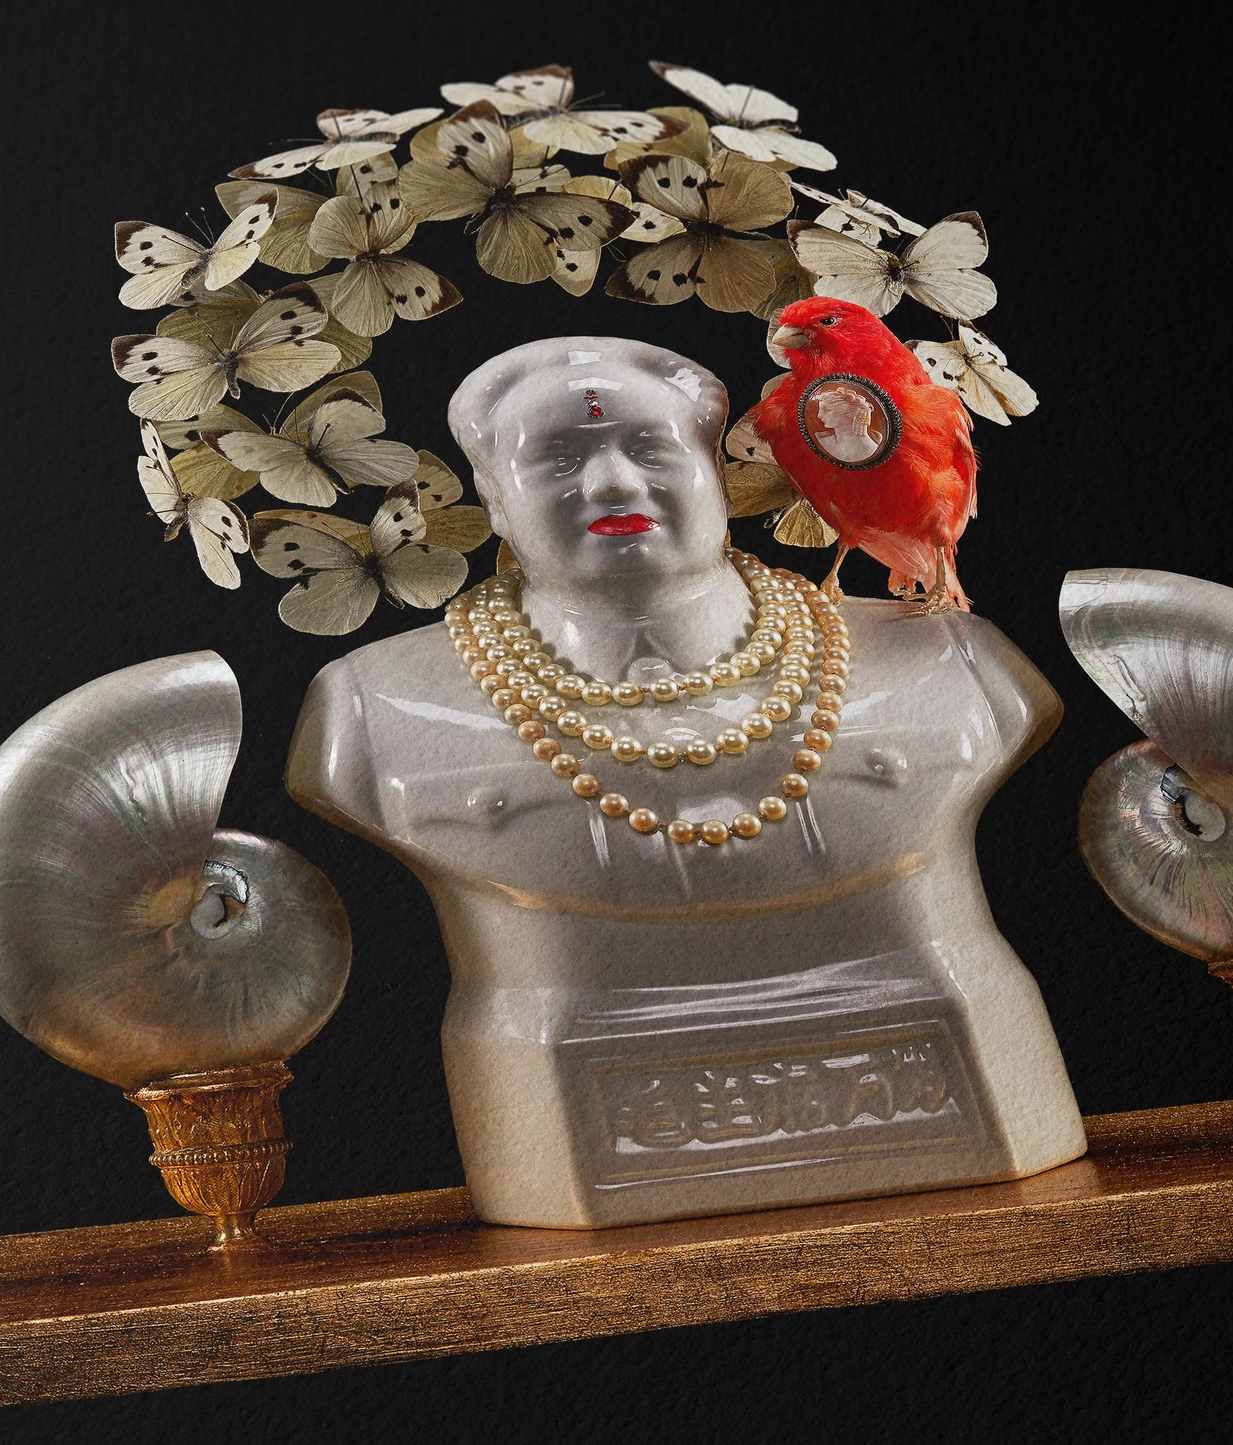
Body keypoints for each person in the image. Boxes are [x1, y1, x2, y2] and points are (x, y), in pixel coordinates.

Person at [286, 337, 1085, 1228]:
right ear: (495, 503)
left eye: (650, 447)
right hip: (578, 1126)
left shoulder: (953, 662)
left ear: (717, 468)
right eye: (557, 459)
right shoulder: (373, 710)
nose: (613, 485)